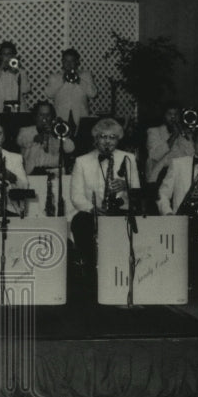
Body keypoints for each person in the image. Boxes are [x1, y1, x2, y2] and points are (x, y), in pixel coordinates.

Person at [68, 118, 141, 295]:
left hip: (118, 211)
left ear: (118, 140)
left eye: (113, 137)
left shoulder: (128, 158)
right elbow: (76, 196)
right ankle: (91, 276)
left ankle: (122, 281)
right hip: (91, 212)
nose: (108, 141)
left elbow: (137, 192)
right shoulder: (82, 161)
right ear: (96, 139)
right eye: (103, 137)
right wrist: (92, 209)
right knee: (80, 222)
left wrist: (126, 187)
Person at [43, 48, 97, 144]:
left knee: (81, 145)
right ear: (62, 62)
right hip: (61, 118)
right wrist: (62, 80)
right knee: (61, 146)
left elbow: (93, 94)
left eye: (72, 61)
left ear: (77, 62)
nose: (69, 64)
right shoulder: (55, 77)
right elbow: (49, 94)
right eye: (66, 61)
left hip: (81, 117)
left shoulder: (85, 75)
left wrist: (79, 80)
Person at [17, 100, 76, 174]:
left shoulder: (56, 131)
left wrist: (59, 135)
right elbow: (21, 141)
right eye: (41, 115)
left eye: (48, 115)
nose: (45, 119)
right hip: (34, 172)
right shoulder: (25, 131)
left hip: (55, 171)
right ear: (35, 116)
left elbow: (70, 148)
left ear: (52, 117)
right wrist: (36, 138)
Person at [145, 102, 195, 184]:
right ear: (164, 116)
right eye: (169, 114)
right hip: (160, 175)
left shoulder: (184, 133)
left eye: (176, 114)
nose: (173, 117)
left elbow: (192, 154)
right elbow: (154, 155)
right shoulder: (153, 131)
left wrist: (184, 135)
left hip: (180, 174)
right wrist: (174, 136)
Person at [0, 40, 31, 114]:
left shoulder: (21, 72)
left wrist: (16, 73)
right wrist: (0, 68)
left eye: (9, 54)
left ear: (13, 56)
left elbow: (25, 89)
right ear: (0, 56)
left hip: (17, 110)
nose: (6, 57)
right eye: (4, 54)